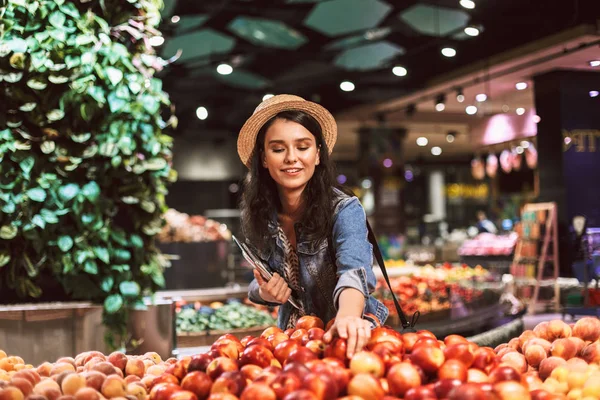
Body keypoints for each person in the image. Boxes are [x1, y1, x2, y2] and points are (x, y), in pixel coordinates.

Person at [237, 94, 388, 358]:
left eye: (303, 147)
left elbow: (355, 272)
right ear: (263, 158)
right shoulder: (261, 215)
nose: (291, 158)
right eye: (278, 149)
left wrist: (348, 317)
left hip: (347, 339)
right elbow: (258, 284)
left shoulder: (344, 209)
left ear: (318, 154)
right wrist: (264, 292)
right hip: (292, 342)